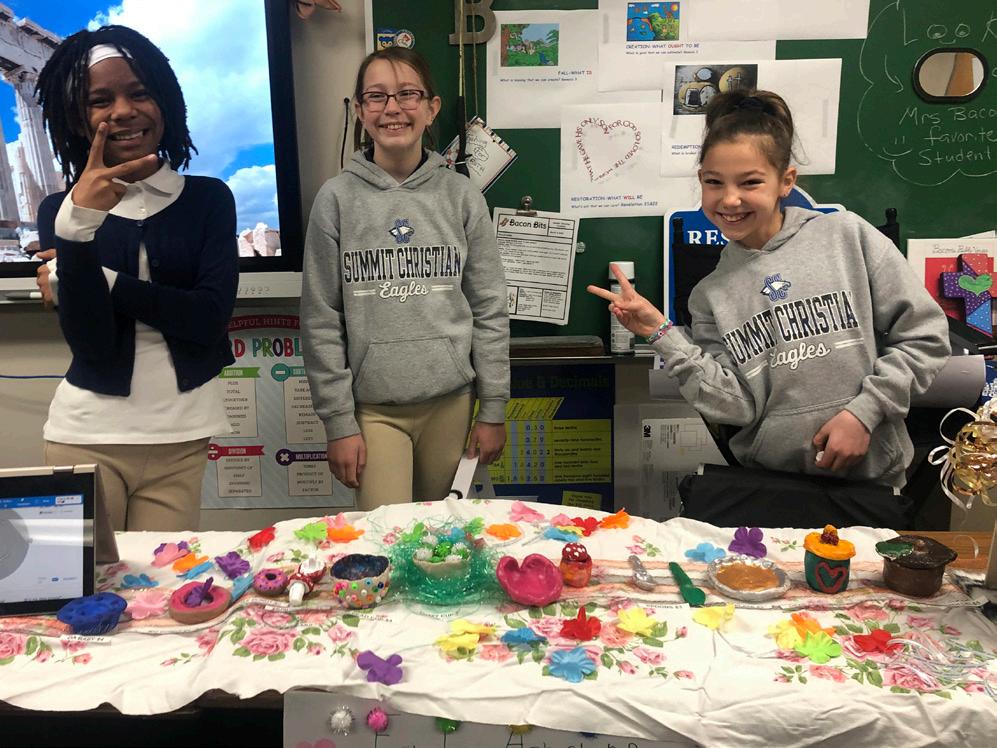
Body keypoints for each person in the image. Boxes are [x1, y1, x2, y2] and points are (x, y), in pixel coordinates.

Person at [589, 90, 950, 488]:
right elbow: (735, 406)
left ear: (785, 181)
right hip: (773, 489)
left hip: (872, 484)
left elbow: (925, 336)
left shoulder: (846, 237)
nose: (730, 200)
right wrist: (661, 333)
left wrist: (865, 413)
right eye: (714, 182)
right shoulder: (709, 295)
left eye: (750, 182)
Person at [34, 25, 238, 530]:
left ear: (165, 101)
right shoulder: (61, 210)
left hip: (182, 438)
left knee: (163, 580)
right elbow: (93, 344)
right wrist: (76, 228)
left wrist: (93, 276)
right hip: (85, 436)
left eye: (140, 92)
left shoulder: (209, 199)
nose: (123, 111)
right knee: (87, 580)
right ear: (77, 118)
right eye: (100, 100)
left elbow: (208, 319)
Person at [301, 47, 509, 511]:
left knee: (444, 536)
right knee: (386, 538)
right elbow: (321, 320)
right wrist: (338, 422)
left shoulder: (462, 196)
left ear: (431, 108)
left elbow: (489, 310)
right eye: (376, 96)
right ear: (360, 111)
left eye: (407, 94)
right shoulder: (335, 200)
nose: (392, 108)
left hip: (452, 403)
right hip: (372, 411)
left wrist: (493, 408)